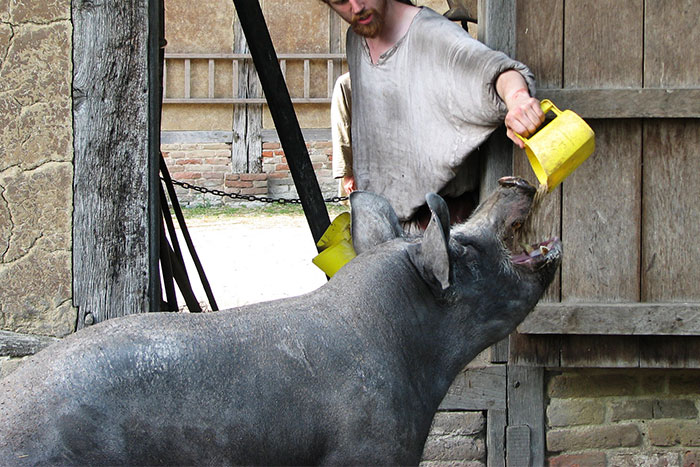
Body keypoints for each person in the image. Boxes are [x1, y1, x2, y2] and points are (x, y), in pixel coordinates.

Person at [324, 0, 545, 233]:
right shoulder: (356, 36)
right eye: (340, 1)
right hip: (383, 228)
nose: (356, 7)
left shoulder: (432, 34)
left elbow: (496, 71)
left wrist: (517, 98)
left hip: (439, 230)